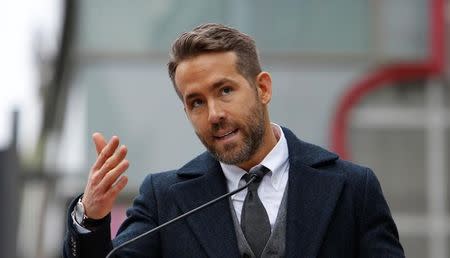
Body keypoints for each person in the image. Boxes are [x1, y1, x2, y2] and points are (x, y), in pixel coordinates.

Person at [63, 23, 405, 258]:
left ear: (263, 88)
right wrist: (91, 218)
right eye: (196, 102)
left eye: (225, 91)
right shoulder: (163, 200)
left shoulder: (353, 188)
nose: (214, 114)